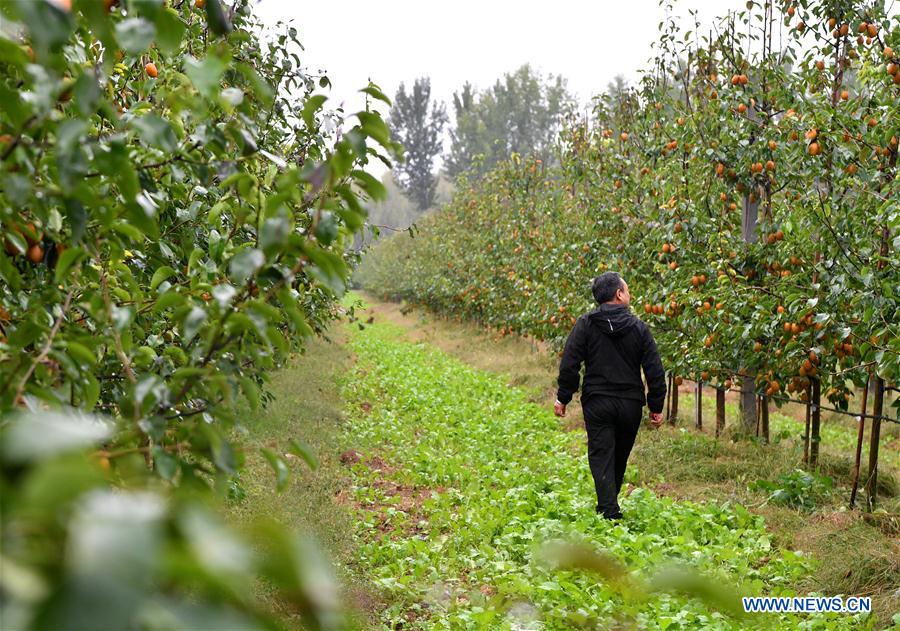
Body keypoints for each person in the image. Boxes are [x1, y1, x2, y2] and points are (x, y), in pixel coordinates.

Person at [553, 272, 666, 520]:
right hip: (630, 404)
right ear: (618, 294)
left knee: (601, 453)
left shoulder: (586, 324)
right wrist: (656, 405)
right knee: (619, 455)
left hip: (598, 401)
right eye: (627, 290)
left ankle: (608, 507)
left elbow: (570, 363)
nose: (630, 294)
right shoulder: (639, 328)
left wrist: (563, 397)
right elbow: (654, 369)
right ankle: (609, 507)